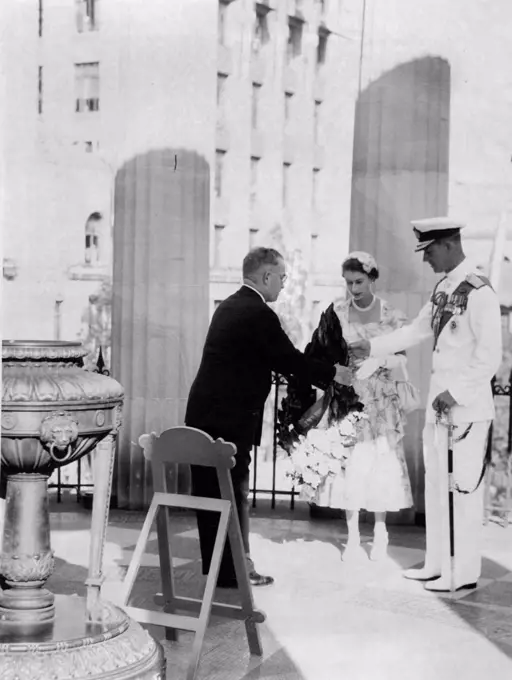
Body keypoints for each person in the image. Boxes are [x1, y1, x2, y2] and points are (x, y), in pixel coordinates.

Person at [349, 217, 502, 591]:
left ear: (449, 244)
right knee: (435, 489)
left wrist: (458, 393)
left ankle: (463, 572)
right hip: (440, 411)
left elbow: (490, 356)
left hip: (465, 412)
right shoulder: (444, 288)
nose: (426, 259)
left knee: (463, 492)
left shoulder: (480, 292)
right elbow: (417, 330)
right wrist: (374, 345)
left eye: (430, 251)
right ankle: (436, 564)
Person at [185, 247, 351, 588]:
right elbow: (289, 360)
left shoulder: (229, 306)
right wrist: (334, 372)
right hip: (229, 422)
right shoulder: (257, 313)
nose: (284, 284)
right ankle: (235, 571)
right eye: (282, 277)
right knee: (233, 494)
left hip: (203, 416)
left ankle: (224, 571)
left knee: (212, 497)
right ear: (266, 277)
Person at [278, 252, 414, 562]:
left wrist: (379, 360)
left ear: (373, 279)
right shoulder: (337, 312)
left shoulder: (392, 315)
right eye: (348, 282)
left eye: (359, 282)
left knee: (379, 465)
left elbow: (402, 357)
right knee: (348, 466)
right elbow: (319, 352)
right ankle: (353, 536)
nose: (353, 288)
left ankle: (380, 531)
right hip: (346, 398)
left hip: (379, 399)